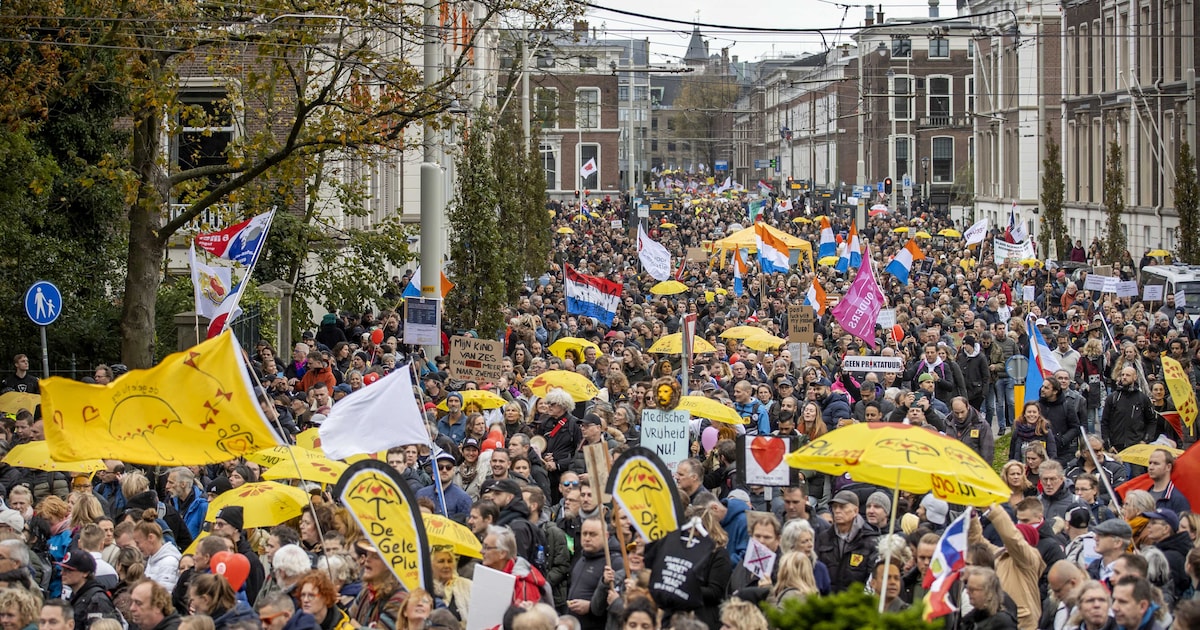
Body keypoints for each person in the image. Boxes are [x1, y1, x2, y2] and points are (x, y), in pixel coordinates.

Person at [968, 504, 1045, 630]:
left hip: (1022, 624)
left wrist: (993, 509)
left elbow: (1012, 538)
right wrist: (972, 517)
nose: (1006, 540)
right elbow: (977, 541)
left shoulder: (1030, 559)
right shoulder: (1001, 554)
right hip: (999, 620)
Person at [814, 490, 879, 593]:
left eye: (842, 507)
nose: (837, 511)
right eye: (834, 507)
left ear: (855, 511)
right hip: (826, 599)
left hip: (855, 599)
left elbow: (871, 578)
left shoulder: (869, 540)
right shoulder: (824, 538)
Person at [481, 526, 549, 606]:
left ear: (502, 553)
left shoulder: (524, 586)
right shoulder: (488, 573)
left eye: (486, 547)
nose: (481, 551)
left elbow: (527, 614)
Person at [347, 540, 406, 630]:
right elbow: (348, 617)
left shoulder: (400, 598)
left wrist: (350, 623)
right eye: (367, 555)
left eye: (375, 557)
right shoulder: (365, 592)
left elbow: (347, 621)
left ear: (389, 565)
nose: (367, 560)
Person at [58, 551, 119, 630]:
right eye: (62, 569)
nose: (62, 573)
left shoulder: (97, 599)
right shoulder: (76, 595)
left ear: (85, 573)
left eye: (68, 570)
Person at [186, 574, 255, 630]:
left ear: (205, 599)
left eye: (192, 600)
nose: (191, 605)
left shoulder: (224, 625)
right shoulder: (245, 614)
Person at [134, 511, 181, 592]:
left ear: (151, 538)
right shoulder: (152, 559)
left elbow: (165, 594)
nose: (137, 546)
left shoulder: (169, 562)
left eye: (138, 542)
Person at [1146, 449, 1190, 514]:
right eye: (1150, 463)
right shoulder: (1144, 495)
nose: (1151, 467)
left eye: (1156, 463)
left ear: (1168, 467)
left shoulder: (1177, 499)